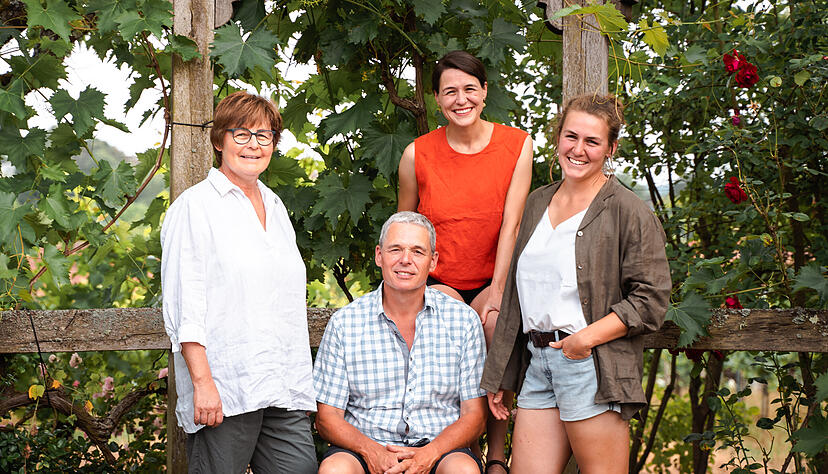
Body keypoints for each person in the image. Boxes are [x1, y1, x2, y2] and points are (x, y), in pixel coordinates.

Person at [481, 94, 672, 474]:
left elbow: (651, 298)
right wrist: (501, 374)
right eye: (571, 137)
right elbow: (518, 300)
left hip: (591, 365)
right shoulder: (537, 202)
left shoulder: (627, 210)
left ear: (610, 149)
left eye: (592, 141)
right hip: (537, 365)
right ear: (558, 138)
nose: (578, 150)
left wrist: (583, 340)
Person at [160, 91, 317, 473]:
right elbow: (185, 304)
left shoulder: (276, 206)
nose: (254, 145)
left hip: (283, 386)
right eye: (241, 134)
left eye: (264, 135)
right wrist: (203, 383)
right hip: (227, 389)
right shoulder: (195, 208)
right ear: (219, 141)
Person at [397, 50, 533, 473]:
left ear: (485, 91)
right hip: (439, 280)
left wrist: (496, 290)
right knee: (449, 319)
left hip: (496, 276)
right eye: (450, 91)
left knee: (493, 324)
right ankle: (449, 450)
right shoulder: (416, 154)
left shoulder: (517, 144)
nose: (461, 99)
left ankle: (495, 456)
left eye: (470, 89)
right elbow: (405, 225)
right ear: (437, 99)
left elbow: (512, 224)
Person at [313, 211, 487, 474]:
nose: (406, 260)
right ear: (379, 256)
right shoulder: (345, 323)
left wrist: (429, 454)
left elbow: (475, 415)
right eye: (396, 249)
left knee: (463, 470)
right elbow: (327, 418)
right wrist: (371, 451)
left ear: (433, 261)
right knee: (334, 470)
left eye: (418, 251)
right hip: (364, 446)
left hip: (439, 448)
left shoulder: (463, 321)